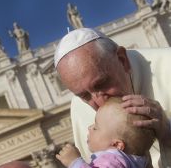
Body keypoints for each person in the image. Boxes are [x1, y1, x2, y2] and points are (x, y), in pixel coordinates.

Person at [54, 28, 171, 167]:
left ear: (123, 60)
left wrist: (167, 134)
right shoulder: (79, 108)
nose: (100, 102)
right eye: (85, 96)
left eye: (101, 84)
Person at [56, 97, 155, 168]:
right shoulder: (140, 160)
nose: (89, 127)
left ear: (116, 144)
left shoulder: (112, 160)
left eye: (96, 127)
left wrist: (75, 162)